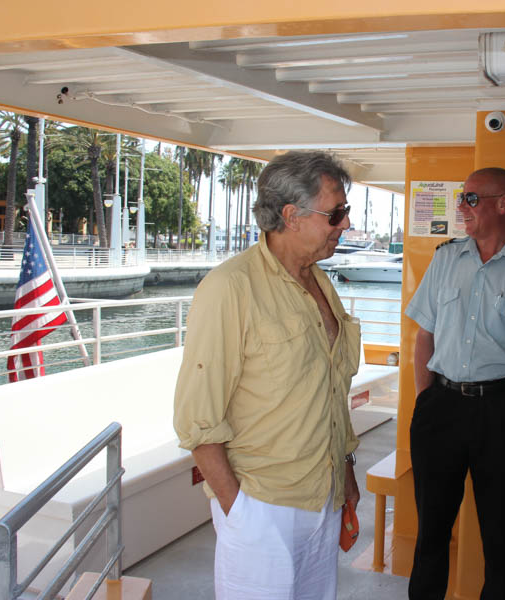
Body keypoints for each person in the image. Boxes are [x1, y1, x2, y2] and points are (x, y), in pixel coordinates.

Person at [173, 151, 362, 600]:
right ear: (293, 216)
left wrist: (346, 475)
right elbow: (198, 419)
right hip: (264, 505)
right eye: (336, 213)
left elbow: (330, 393)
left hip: (325, 494)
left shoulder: (321, 283)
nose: (346, 224)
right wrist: (238, 511)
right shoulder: (229, 289)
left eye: (345, 212)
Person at [405, 167, 505, 600]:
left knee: (501, 542)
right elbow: (425, 336)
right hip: (442, 408)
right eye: (461, 197)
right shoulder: (445, 258)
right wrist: (426, 402)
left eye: (471, 198)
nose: (461, 207)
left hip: (504, 413)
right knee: (431, 536)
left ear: (504, 204)